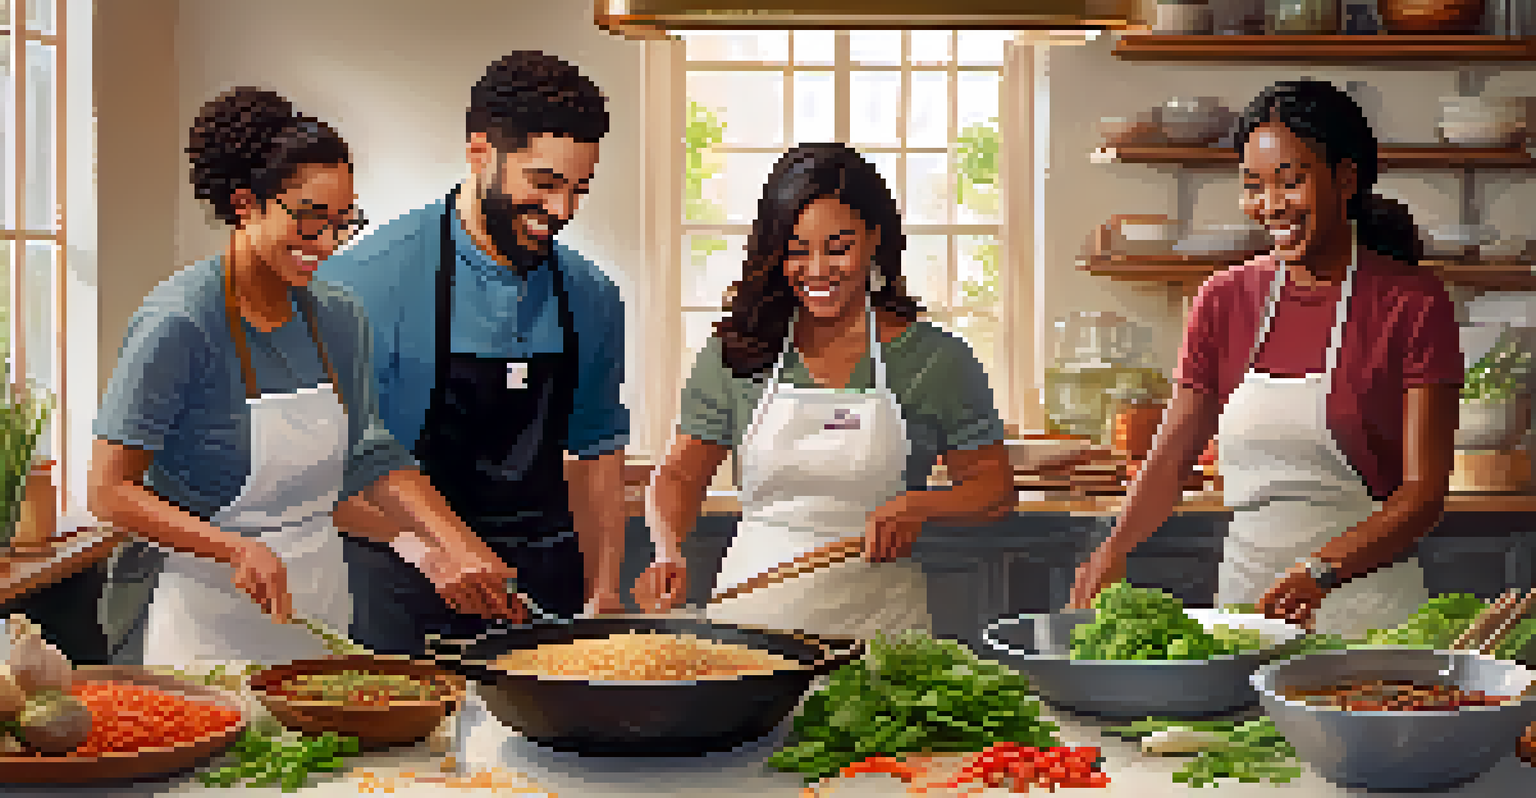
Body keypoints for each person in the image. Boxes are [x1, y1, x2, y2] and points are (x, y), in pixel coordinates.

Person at [89, 88, 523, 668]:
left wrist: (455, 547)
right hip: (199, 610)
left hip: (315, 605)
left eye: (343, 223)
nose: (327, 243)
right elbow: (108, 491)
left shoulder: (339, 318)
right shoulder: (181, 322)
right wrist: (235, 550)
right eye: (310, 218)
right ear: (246, 205)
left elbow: (367, 458)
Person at [1068, 79, 1461, 637]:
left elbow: (1423, 495)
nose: (1270, 205)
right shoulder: (1223, 299)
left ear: (1346, 179)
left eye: (1290, 181)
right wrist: (1113, 548)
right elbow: (1173, 452)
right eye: (1253, 186)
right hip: (1247, 609)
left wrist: (1319, 572)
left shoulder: (1413, 302)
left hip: (1369, 613)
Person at [630, 143, 1016, 639]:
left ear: (874, 238)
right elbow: (681, 475)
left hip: (880, 638)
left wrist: (921, 505)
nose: (816, 269)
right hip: (751, 630)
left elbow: (994, 489)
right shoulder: (740, 350)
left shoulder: (936, 359)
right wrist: (667, 551)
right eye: (796, 250)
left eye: (838, 247)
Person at [315, 52, 630, 655]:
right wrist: (430, 547)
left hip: (545, 596)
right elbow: (329, 471)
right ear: (481, 153)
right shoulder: (363, 285)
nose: (562, 211)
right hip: (402, 594)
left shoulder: (592, 295)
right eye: (543, 184)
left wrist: (605, 593)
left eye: (579, 189)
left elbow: (596, 451)